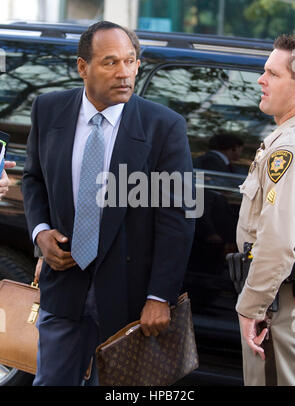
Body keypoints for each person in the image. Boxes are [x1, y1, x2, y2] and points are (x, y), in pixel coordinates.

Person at [22, 21, 195, 386]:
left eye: (131, 62)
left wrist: (159, 296)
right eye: (110, 62)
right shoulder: (47, 109)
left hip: (130, 298)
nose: (124, 74)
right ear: (82, 67)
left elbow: (177, 220)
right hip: (64, 288)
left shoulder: (164, 126)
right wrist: (40, 234)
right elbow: (34, 179)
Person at [236, 34, 295, 386]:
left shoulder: (290, 145)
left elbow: (277, 241)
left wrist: (251, 309)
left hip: (280, 308)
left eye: (273, 74)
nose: (261, 80)